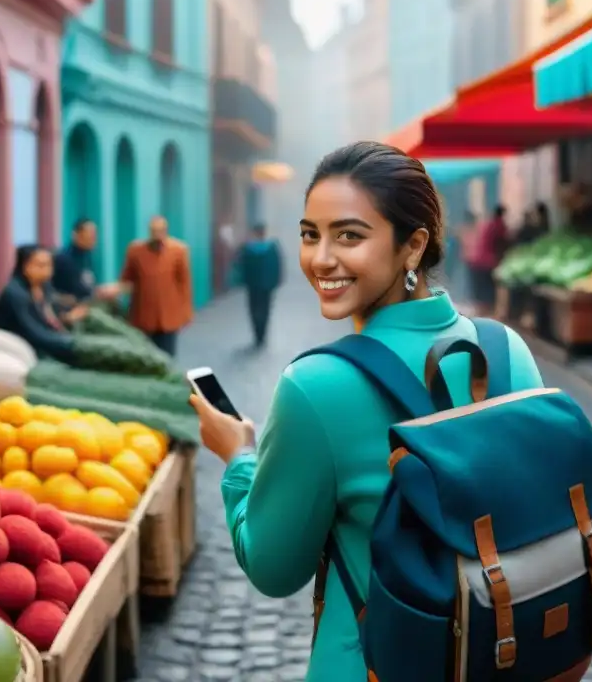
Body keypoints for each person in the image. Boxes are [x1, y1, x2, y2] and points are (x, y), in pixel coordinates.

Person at [189, 141, 544, 680]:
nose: (320, 258)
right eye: (311, 234)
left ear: (412, 246)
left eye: (349, 235)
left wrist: (240, 458)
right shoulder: (505, 350)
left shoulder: (318, 386)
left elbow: (273, 566)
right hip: (505, 659)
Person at [0, 245, 82, 363]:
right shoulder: (15, 294)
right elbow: (35, 334)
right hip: (12, 349)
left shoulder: (45, 287)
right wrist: (74, 344)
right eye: (40, 265)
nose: (47, 270)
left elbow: (51, 317)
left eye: (49, 265)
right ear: (25, 266)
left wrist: (68, 317)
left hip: (38, 345)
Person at [115, 216, 193, 356]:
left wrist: (186, 312)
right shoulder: (136, 251)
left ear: (166, 231)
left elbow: (184, 284)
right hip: (142, 317)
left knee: (167, 356)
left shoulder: (178, 251)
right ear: (149, 232)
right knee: (145, 356)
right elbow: (126, 278)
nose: (157, 235)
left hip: (169, 316)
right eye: (154, 231)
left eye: (160, 231)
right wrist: (117, 293)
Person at [232, 223, 283, 348]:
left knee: (254, 309)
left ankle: (257, 335)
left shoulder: (247, 249)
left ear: (254, 233)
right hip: (267, 285)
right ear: (264, 232)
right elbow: (278, 266)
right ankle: (262, 335)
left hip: (252, 285)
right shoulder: (272, 248)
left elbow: (238, 264)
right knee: (265, 309)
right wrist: (276, 281)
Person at [52, 218, 114, 307]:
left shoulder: (88, 256)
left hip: (87, 303)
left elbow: (88, 286)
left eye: (94, 235)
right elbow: (76, 292)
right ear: (76, 235)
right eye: (89, 235)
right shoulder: (64, 259)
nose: (93, 239)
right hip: (72, 307)